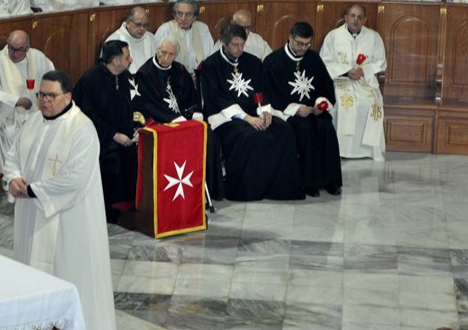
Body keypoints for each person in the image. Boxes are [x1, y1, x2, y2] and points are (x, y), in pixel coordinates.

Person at [3, 70, 119, 330]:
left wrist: (33, 191)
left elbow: (74, 180)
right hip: (32, 216)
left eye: (51, 96)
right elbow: (12, 155)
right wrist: (13, 177)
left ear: (67, 97)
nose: (44, 101)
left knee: (69, 276)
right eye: (41, 95)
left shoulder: (82, 129)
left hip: (70, 222)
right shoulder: (33, 121)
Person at [199, 23, 303, 201]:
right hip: (227, 118)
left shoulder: (252, 62)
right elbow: (217, 98)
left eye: (242, 45)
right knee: (250, 136)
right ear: (224, 43)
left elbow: (261, 90)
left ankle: (278, 188)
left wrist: (265, 112)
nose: (239, 49)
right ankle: (249, 189)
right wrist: (248, 118)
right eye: (235, 45)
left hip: (255, 112)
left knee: (283, 130)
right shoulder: (211, 65)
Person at [136, 37, 225, 200]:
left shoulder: (180, 70)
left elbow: (192, 97)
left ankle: (209, 190)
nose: (166, 58)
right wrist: (174, 119)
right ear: (157, 50)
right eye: (163, 52)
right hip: (163, 123)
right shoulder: (145, 74)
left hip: (185, 120)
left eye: (171, 54)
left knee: (210, 137)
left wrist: (195, 113)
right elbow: (148, 106)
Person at [262, 21, 343, 197]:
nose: (303, 48)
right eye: (299, 43)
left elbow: (326, 85)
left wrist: (321, 104)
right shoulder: (273, 61)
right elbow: (271, 94)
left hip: (313, 110)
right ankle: (310, 183)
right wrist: (296, 109)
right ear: (290, 38)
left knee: (326, 127)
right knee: (305, 130)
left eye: (307, 44)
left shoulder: (313, 58)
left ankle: (331, 181)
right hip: (289, 113)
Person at [73, 40, 139, 221]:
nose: (131, 60)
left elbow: (132, 106)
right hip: (98, 138)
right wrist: (114, 135)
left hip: (124, 135)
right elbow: (88, 116)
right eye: (127, 57)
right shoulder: (91, 80)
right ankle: (109, 210)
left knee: (137, 155)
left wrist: (134, 129)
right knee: (113, 159)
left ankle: (132, 206)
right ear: (116, 61)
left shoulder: (124, 76)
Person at [0, 30, 55, 174]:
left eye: (19, 50)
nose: (14, 54)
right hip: (9, 114)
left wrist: (43, 97)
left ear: (27, 48)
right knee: (11, 135)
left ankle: (35, 174)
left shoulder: (38, 58)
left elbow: (52, 79)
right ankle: (12, 176)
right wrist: (16, 101)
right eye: (11, 48)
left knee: (46, 133)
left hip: (36, 112)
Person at [320, 4, 387, 161]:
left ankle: (369, 151)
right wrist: (345, 71)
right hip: (341, 80)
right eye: (353, 16)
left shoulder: (374, 37)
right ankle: (340, 150)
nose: (355, 20)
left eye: (359, 17)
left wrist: (363, 71)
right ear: (346, 17)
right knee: (343, 105)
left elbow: (381, 61)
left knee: (372, 104)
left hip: (365, 81)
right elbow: (324, 61)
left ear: (365, 20)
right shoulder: (333, 36)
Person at [153, 0, 214, 74]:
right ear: (174, 15)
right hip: (175, 76)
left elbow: (211, 55)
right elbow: (157, 57)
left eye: (188, 14)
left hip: (200, 75)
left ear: (195, 17)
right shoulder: (165, 30)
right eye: (180, 14)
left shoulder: (202, 28)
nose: (183, 18)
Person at [105, 6, 156, 73]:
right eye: (138, 25)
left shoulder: (150, 38)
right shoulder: (114, 40)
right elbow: (107, 70)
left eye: (145, 25)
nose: (142, 29)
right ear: (128, 22)